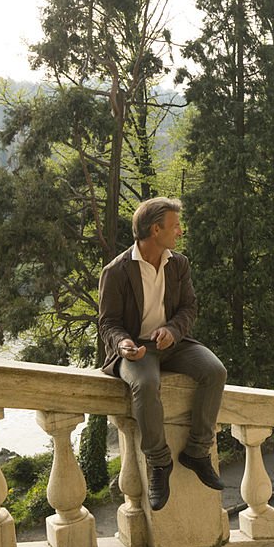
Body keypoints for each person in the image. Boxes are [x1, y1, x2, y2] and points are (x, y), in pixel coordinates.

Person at [98, 197, 227, 512]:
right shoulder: (115, 271)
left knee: (215, 371)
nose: (180, 232)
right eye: (175, 226)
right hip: (136, 350)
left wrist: (173, 330)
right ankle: (159, 463)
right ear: (155, 230)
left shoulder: (179, 264)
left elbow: (188, 307)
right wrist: (123, 344)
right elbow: (108, 323)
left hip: (174, 344)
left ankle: (197, 452)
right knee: (145, 384)